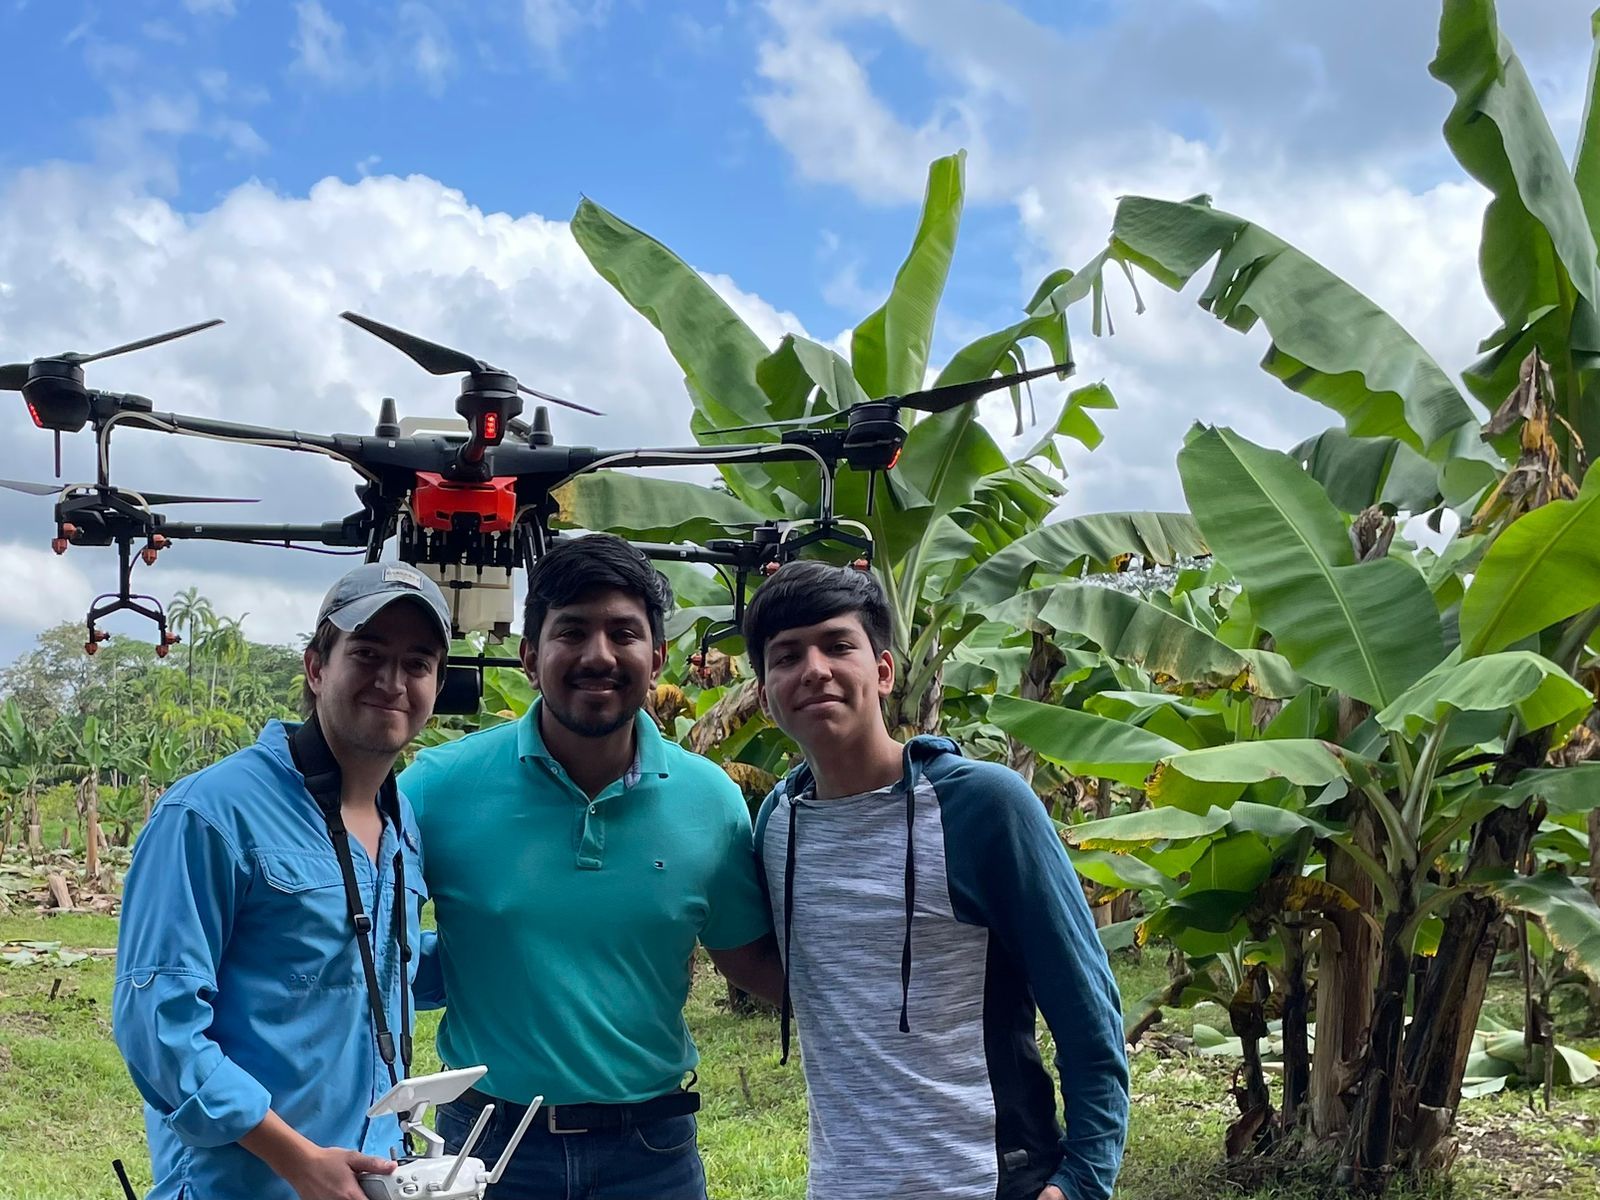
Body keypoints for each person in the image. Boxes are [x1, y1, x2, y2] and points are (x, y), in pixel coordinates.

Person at [399, 533, 782, 1200]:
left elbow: (748, 958)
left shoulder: (711, 801)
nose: (598, 655)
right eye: (572, 631)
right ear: (529, 657)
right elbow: (374, 947)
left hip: (651, 1154)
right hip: (486, 1142)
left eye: (623, 633)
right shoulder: (437, 788)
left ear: (657, 655)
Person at [743, 560, 1130, 1200]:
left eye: (839, 645)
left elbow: (1087, 1013)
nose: (814, 670)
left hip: (990, 1180)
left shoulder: (982, 807)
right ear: (764, 692)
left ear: (885, 669)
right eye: (786, 657)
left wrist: (1083, 1182)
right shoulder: (779, 824)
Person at [113, 562, 452, 1200]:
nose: (392, 682)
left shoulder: (400, 817)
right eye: (368, 654)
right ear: (316, 666)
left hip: (369, 1170)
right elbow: (159, 1025)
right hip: (245, 1183)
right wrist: (296, 1160)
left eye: (417, 663)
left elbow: (367, 971)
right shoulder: (212, 813)